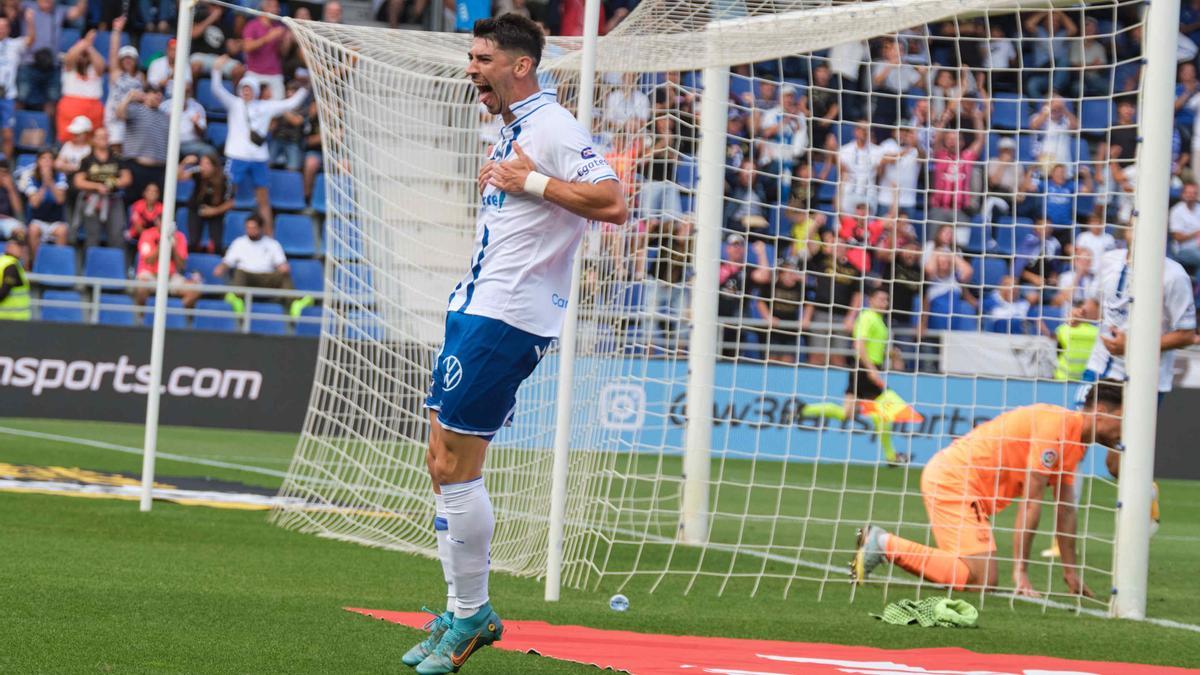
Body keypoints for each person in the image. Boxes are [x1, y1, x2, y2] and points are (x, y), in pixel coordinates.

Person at [401, 15, 626, 675]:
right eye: (471, 57)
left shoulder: (553, 127)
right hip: (475, 308)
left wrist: (527, 183)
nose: (471, 68)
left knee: (455, 467)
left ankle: (473, 614)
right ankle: (459, 605)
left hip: (509, 318)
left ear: (520, 65)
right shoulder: (517, 128)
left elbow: (613, 203)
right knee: (439, 461)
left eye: (482, 58)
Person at [852, 381, 1124, 597]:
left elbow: (1065, 511)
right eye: (1122, 419)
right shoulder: (1055, 427)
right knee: (981, 580)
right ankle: (884, 543)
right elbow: (1031, 502)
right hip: (954, 479)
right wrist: (1020, 571)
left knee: (981, 579)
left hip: (965, 487)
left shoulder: (1076, 444)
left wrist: (1071, 573)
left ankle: (884, 543)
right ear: (1100, 411)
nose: (1125, 429)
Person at [210, 56, 309, 235]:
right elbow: (217, 90)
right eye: (243, 89)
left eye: (249, 89)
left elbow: (291, 103)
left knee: (264, 199)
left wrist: (306, 87)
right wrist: (216, 70)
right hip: (236, 156)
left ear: (255, 91)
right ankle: (220, 232)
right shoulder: (234, 104)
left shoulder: (266, 106)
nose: (246, 92)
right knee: (226, 194)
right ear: (240, 90)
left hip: (259, 158)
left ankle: (269, 237)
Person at [213, 212, 311, 315]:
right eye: (248, 228)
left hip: (267, 279)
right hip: (247, 277)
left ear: (261, 228)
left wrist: (284, 267)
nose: (250, 230)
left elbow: (281, 264)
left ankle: (295, 305)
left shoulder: (272, 244)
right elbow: (228, 262)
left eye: (253, 228)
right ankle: (237, 301)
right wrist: (221, 268)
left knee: (283, 275)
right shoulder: (239, 243)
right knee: (239, 272)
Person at [73, 126, 133, 249]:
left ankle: (116, 264)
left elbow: (127, 178)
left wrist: (111, 183)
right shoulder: (87, 159)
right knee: (92, 235)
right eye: (100, 137)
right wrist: (97, 186)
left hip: (113, 199)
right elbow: (78, 181)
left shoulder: (116, 158)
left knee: (117, 235)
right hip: (92, 199)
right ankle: (90, 265)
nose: (103, 139)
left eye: (106, 136)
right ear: (94, 139)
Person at [116, 85, 171, 201]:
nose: (158, 96)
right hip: (137, 167)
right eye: (155, 92)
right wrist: (129, 98)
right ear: (146, 94)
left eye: (160, 94)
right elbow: (119, 114)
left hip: (159, 169)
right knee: (132, 200)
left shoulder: (165, 116)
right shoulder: (135, 109)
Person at [132, 217, 201, 308]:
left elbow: (181, 266)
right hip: (150, 276)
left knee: (194, 290)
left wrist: (174, 248)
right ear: (157, 222)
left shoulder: (179, 236)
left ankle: (173, 315)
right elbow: (148, 261)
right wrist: (162, 244)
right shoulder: (147, 234)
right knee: (141, 287)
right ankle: (143, 319)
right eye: (162, 221)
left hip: (171, 277)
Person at [18, 147, 67, 260]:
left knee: (62, 230)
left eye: (50, 158)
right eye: (43, 158)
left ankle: (58, 264)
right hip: (37, 220)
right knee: (33, 229)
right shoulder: (31, 178)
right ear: (38, 161)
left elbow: (60, 199)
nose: (47, 161)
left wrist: (50, 182)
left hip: (56, 221)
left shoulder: (60, 176)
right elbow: (34, 203)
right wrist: (44, 185)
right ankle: (37, 264)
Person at [57, 31, 106, 144]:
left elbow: (101, 66)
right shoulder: (69, 67)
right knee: (68, 140)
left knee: (93, 142)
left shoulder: (94, 68)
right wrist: (83, 43)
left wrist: (89, 47)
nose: (82, 57)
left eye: (85, 55)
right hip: (71, 105)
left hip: (93, 107)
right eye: (81, 54)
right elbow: (70, 57)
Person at [179, 152, 232, 253]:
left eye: (207, 163)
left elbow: (231, 202)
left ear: (214, 166)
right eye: (202, 163)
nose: (203, 166)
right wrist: (184, 163)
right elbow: (179, 177)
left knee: (217, 245)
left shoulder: (225, 179)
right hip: (196, 209)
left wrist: (214, 211)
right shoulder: (197, 172)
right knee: (193, 242)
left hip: (216, 211)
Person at [0, 11, 35, 164]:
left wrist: (30, 21)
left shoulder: (14, 45)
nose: (2, 29)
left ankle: (4, 168)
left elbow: (31, 40)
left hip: (7, 96)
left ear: (9, 29)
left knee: (8, 135)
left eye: (5, 26)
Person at [105, 17, 144, 152]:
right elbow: (112, 53)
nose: (127, 61)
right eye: (124, 58)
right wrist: (116, 30)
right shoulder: (116, 74)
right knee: (115, 148)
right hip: (115, 118)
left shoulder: (140, 78)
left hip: (132, 118)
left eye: (130, 58)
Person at [241, 0, 290, 100]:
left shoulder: (279, 27)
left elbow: (283, 53)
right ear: (266, 8)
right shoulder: (252, 25)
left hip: (274, 73)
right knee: (247, 104)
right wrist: (268, 37)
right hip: (253, 72)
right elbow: (247, 47)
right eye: (275, 7)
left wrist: (286, 41)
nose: (278, 10)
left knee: (278, 107)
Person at [1168, 181, 1200, 273]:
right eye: (1189, 193)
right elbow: (1178, 237)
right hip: (1183, 249)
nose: (1191, 195)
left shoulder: (1199, 208)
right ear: (1183, 194)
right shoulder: (1176, 211)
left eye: (1194, 193)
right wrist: (1196, 233)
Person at [0, 230, 29, 320]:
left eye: (22, 246)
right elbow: (3, 292)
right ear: (9, 246)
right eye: (18, 246)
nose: (21, 249)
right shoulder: (11, 265)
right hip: (12, 320)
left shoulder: (3, 261)